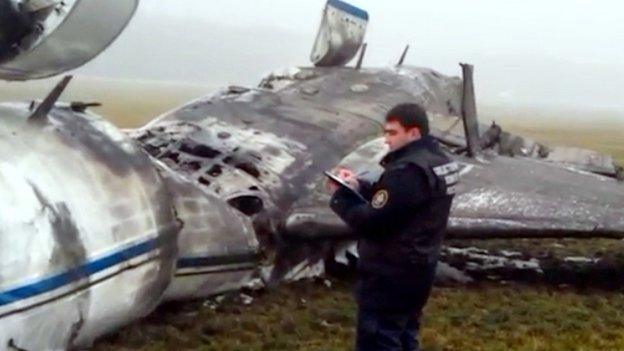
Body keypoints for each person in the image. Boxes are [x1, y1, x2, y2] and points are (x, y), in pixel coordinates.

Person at [327, 103, 458, 351]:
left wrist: (340, 197)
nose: (386, 141)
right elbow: (403, 201)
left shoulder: (407, 170)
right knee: (405, 334)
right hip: (420, 268)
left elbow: (372, 222)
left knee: (379, 338)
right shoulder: (440, 162)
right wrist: (359, 186)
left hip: (389, 273)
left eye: (392, 133)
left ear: (414, 133)